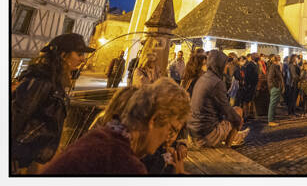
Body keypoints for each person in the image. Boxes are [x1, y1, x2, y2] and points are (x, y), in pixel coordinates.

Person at [42, 78, 190, 175]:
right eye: (171, 130)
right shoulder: (124, 164)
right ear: (154, 120)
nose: (168, 139)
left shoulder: (100, 136)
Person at [11, 33, 92, 174]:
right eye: (79, 54)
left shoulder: (56, 80)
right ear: (63, 55)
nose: (82, 59)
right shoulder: (41, 79)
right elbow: (17, 115)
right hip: (23, 155)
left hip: (37, 155)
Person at [187, 50, 249, 148]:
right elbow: (226, 109)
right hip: (206, 134)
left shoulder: (203, 78)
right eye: (225, 63)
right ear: (219, 64)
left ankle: (236, 137)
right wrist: (239, 121)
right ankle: (228, 147)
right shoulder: (217, 82)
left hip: (193, 129)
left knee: (234, 115)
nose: (227, 66)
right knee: (238, 112)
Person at [267, 54, 285, 126]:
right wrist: (274, 86)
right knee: (273, 104)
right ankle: (270, 120)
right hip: (275, 87)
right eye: (279, 59)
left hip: (277, 87)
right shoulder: (273, 66)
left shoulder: (276, 66)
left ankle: (272, 119)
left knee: (274, 104)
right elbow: (270, 78)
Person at [240, 54, 259, 120]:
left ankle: (249, 114)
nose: (258, 58)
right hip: (249, 86)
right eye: (257, 57)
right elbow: (247, 76)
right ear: (253, 58)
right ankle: (245, 115)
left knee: (250, 100)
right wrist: (248, 85)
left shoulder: (255, 64)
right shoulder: (250, 65)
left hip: (253, 85)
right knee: (247, 101)